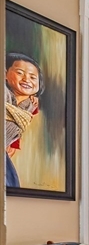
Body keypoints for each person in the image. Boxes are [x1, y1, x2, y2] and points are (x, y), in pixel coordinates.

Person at [5, 52, 43, 188]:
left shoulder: (30, 105)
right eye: (20, 73)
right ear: (4, 74)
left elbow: (17, 124)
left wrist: (13, 144)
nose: (27, 79)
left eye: (33, 77)